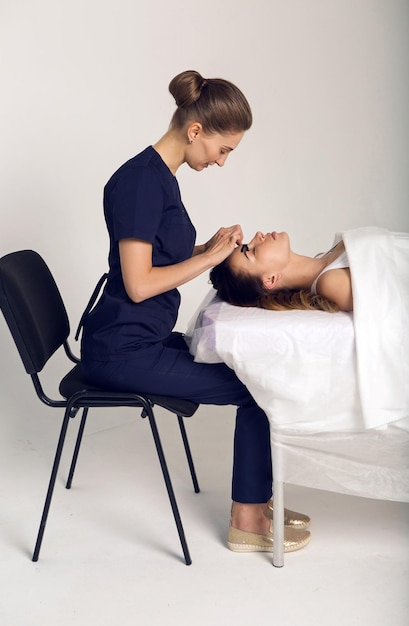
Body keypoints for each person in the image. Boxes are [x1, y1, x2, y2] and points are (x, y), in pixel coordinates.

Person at [79, 70, 311, 555]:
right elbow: (139, 285)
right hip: (122, 350)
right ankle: (247, 520)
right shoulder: (141, 183)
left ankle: (258, 503)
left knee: (253, 374)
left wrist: (211, 245)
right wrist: (207, 258)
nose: (222, 162)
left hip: (134, 339)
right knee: (257, 389)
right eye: (223, 149)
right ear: (195, 131)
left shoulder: (159, 178)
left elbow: (157, 260)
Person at [210, 230, 353, 312]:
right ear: (271, 279)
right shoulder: (331, 283)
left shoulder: (328, 256)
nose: (258, 235)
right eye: (252, 251)